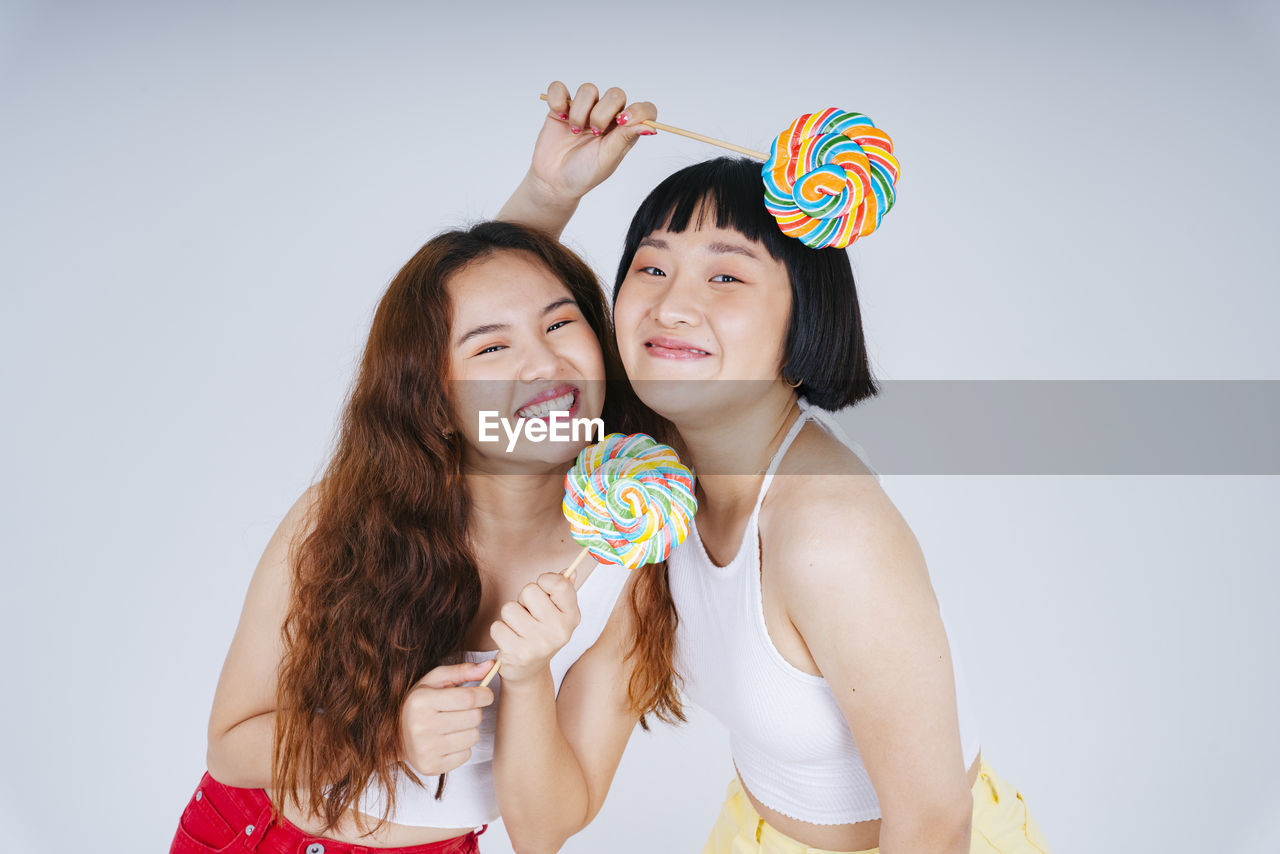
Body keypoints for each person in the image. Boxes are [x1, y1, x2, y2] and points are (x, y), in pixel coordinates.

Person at [500, 81, 1053, 854]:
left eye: (726, 276)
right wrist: (548, 192)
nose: (672, 305)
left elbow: (934, 824)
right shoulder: (654, 480)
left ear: (806, 316)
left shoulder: (830, 534)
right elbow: (546, 822)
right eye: (651, 269)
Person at [169, 220, 677, 854]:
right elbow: (229, 747)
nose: (545, 362)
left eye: (560, 324)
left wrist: (528, 678)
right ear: (435, 397)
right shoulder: (344, 511)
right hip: (246, 831)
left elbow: (543, 832)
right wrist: (389, 738)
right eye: (490, 349)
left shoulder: (631, 560)